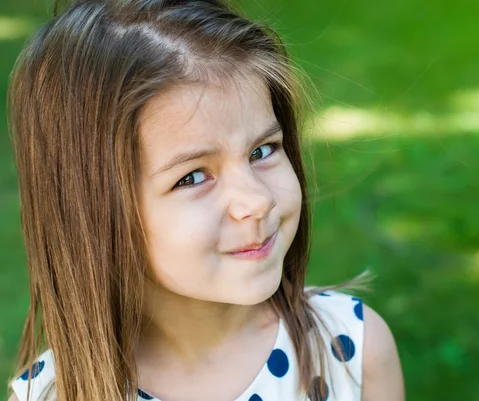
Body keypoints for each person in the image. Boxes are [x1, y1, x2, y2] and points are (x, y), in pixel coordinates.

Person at [5, 0, 404, 400]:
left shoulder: (351, 350)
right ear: (91, 210)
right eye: (193, 176)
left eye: (262, 151)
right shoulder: (55, 394)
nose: (256, 201)